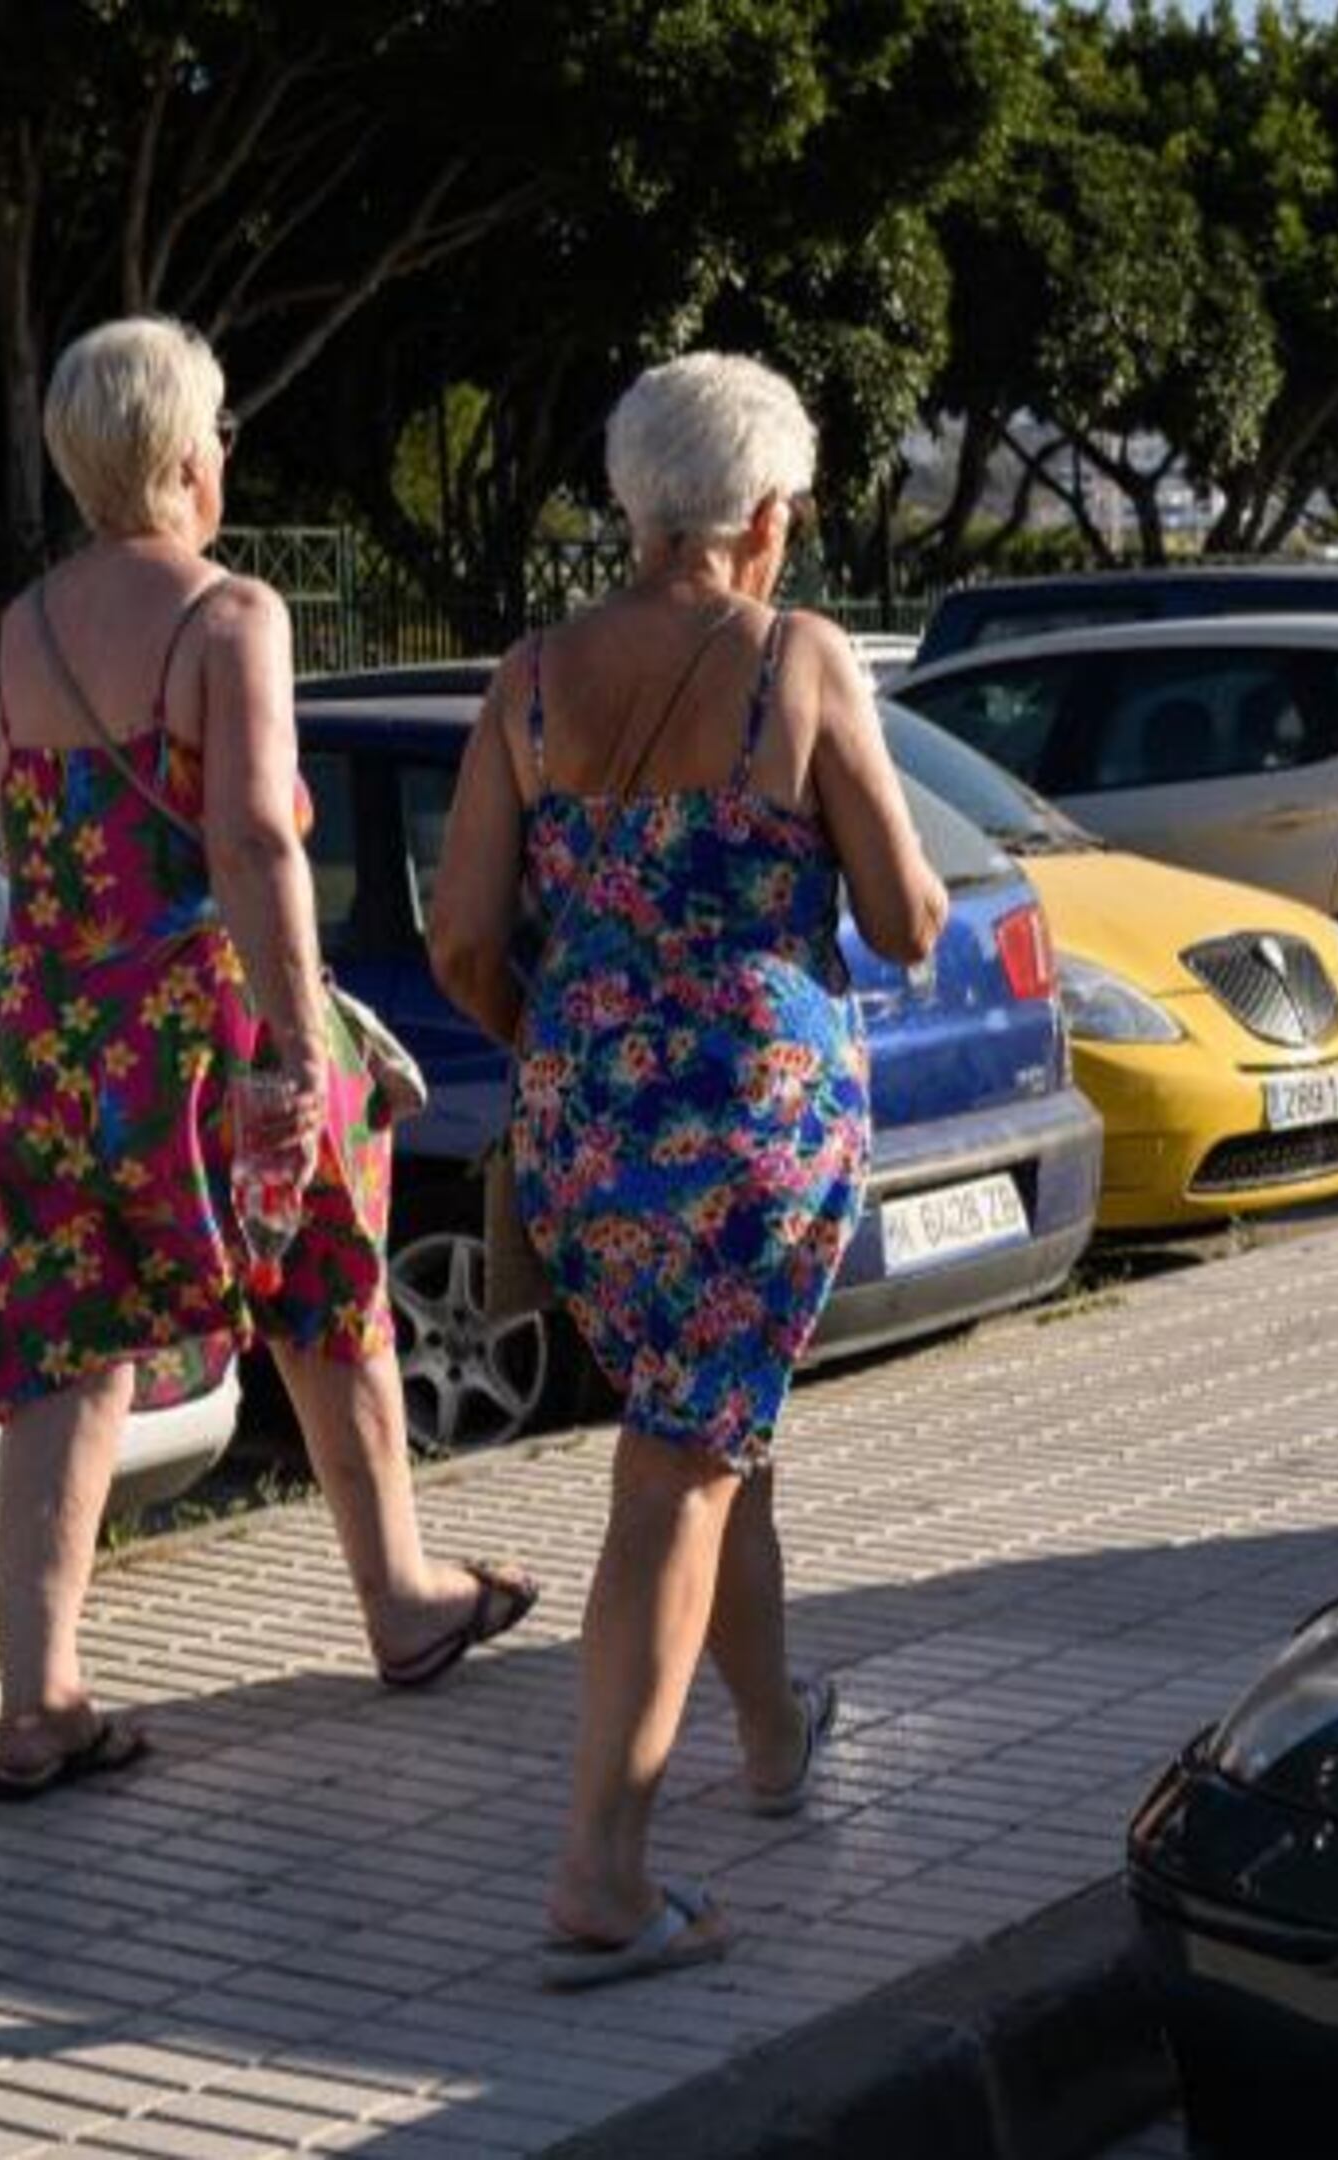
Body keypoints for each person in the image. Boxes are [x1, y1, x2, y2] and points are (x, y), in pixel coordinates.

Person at [0, 316, 534, 1799]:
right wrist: (295, 1041)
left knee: (67, 1345)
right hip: (201, 1025)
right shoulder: (233, 617)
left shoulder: (19, 630)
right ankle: (403, 1601)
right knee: (328, 1281)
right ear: (179, 453)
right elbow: (257, 837)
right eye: (216, 429)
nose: (226, 453)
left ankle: (40, 1698)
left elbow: (29, 847)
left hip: (47, 1035)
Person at [426, 353, 944, 1985]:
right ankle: (601, 1871)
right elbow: (910, 916)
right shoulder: (801, 658)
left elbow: (455, 941)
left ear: (638, 505)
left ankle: (778, 1742)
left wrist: (564, 1039)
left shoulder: (524, 680)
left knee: (718, 1431)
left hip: (583, 1124)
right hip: (753, 1131)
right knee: (680, 1469)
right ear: (768, 517)